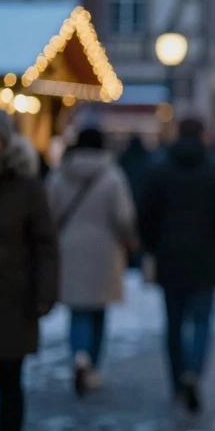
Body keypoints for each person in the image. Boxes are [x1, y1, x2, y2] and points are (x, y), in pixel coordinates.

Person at [0, 109, 59, 431]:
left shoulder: (27, 187)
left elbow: (45, 244)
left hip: (12, 301)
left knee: (10, 385)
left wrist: (45, 293)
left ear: (5, 143)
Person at [138, 118, 215, 414]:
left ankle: (177, 381)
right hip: (206, 257)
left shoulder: (160, 171)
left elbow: (146, 216)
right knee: (202, 321)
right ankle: (194, 370)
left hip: (170, 256)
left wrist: (154, 247)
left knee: (174, 323)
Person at [47, 128, 137, 397]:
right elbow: (123, 216)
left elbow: (48, 213)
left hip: (69, 248)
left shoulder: (59, 175)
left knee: (78, 311)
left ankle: (79, 356)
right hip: (104, 251)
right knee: (98, 311)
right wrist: (129, 239)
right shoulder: (112, 177)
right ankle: (93, 365)